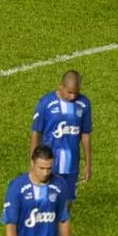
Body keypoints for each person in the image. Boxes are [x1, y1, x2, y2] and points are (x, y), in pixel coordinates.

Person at [30, 70, 93, 210]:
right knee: (47, 199)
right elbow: (36, 133)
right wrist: (33, 160)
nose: (72, 96)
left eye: (76, 93)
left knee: (68, 200)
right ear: (60, 86)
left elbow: (85, 134)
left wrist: (88, 163)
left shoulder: (84, 104)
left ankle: (60, 229)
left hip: (71, 164)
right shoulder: (46, 103)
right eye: (69, 92)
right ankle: (47, 229)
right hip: (49, 162)